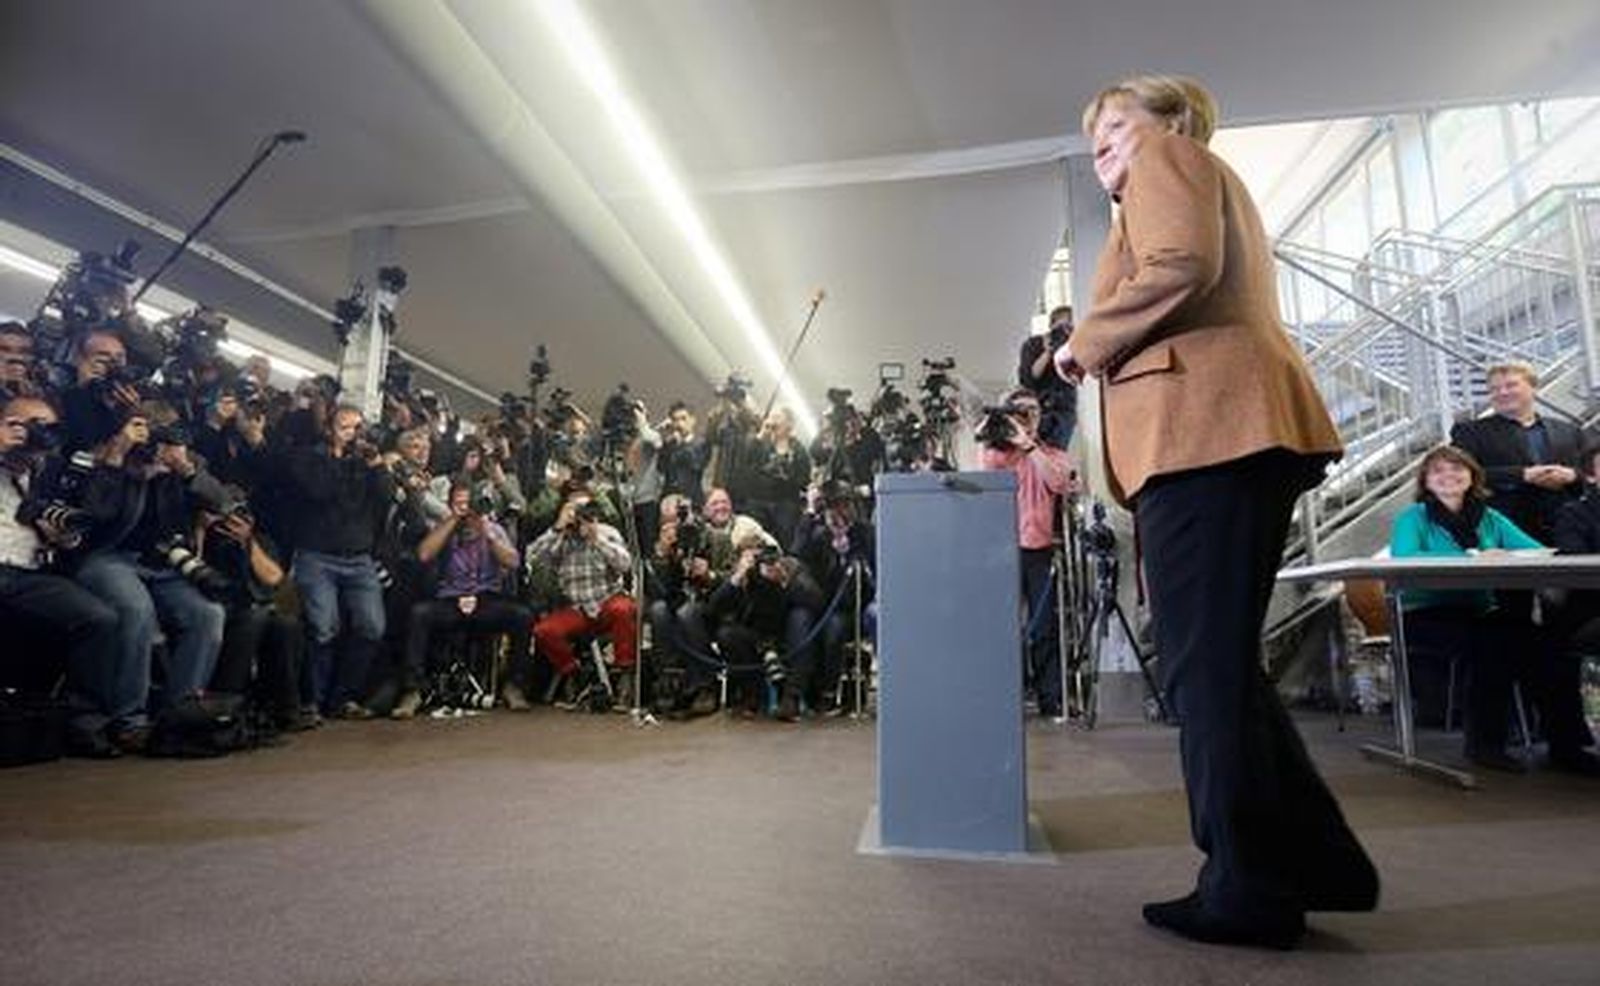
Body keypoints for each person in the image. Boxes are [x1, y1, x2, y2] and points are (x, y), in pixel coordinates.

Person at [1056, 75, 1375, 948]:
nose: (1105, 150)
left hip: (1209, 436)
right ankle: (1311, 863)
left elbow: (1182, 267)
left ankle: (1246, 887)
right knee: (1220, 667)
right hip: (1218, 439)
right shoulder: (1180, 175)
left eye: (1117, 127)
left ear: (1171, 121)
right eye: (1095, 143)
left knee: (1205, 673)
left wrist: (1081, 346)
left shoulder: (1173, 158)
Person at [1389, 445, 1597, 773]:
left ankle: (1567, 747)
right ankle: (1486, 745)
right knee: (1494, 645)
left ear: (1472, 476)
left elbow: (1539, 552)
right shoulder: (1413, 518)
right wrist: (1474, 557)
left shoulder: (1489, 516)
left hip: (1480, 612)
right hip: (1425, 614)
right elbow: (1405, 558)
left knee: (1550, 647)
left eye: (1457, 469)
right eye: (1438, 471)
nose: (1449, 476)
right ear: (1426, 482)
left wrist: (1515, 555)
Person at [0, 394, 129, 755]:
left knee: (100, 617)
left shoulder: (51, 471)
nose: (39, 434)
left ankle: (83, 723)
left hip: (28, 573)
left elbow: (66, 528)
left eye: (47, 427)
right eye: (29, 425)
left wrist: (65, 535)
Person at [285, 404, 394, 717]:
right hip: (317, 555)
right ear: (330, 429)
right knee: (323, 627)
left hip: (359, 557)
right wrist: (340, 457)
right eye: (346, 427)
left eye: (358, 427)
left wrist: (375, 465)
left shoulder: (365, 463)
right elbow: (319, 491)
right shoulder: (310, 457)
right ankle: (314, 700)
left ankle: (343, 698)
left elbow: (385, 497)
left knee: (372, 626)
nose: (354, 434)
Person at [395, 483, 532, 719]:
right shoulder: (443, 529)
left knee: (522, 616)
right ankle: (413, 690)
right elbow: (424, 554)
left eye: (469, 504)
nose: (466, 511)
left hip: (485, 598)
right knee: (419, 614)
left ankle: (514, 685)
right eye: (459, 504)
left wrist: (487, 533)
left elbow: (513, 562)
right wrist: (452, 521)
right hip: (450, 598)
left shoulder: (492, 528)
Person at [978, 390, 1074, 720]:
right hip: (1004, 550)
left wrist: (1031, 446)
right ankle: (1007, 696)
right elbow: (987, 474)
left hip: (1039, 550)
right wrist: (1007, 437)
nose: (1028, 417)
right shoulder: (998, 455)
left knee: (1044, 626)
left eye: (1033, 411)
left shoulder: (1053, 454)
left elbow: (1059, 482)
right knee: (1004, 626)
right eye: (1020, 412)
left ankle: (1051, 699)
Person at [1450, 362, 1586, 545]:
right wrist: (1522, 474)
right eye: (1494, 389)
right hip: (1503, 531)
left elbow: (1591, 473)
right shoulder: (1469, 432)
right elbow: (1456, 476)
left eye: (1511, 385)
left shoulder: (1569, 430)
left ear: (1533, 387)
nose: (1502, 393)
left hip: (1567, 531)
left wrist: (1572, 475)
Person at [526, 491, 638, 698]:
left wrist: (597, 539)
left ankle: (626, 673)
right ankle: (573, 673)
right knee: (544, 631)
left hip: (607, 601)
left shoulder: (608, 532)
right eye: (576, 511)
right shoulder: (561, 537)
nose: (582, 517)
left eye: (586, 511)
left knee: (624, 609)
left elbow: (625, 565)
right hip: (576, 608)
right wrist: (557, 528)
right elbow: (532, 557)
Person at [1017, 305, 1078, 449]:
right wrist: (1047, 353)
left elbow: (1078, 377)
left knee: (1057, 456)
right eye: (1061, 327)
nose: (1064, 332)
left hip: (1064, 410)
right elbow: (1028, 380)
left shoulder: (1073, 347)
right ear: (1051, 325)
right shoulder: (1033, 344)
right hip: (1037, 408)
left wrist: (1073, 347)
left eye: (1069, 327)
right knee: (1035, 455)